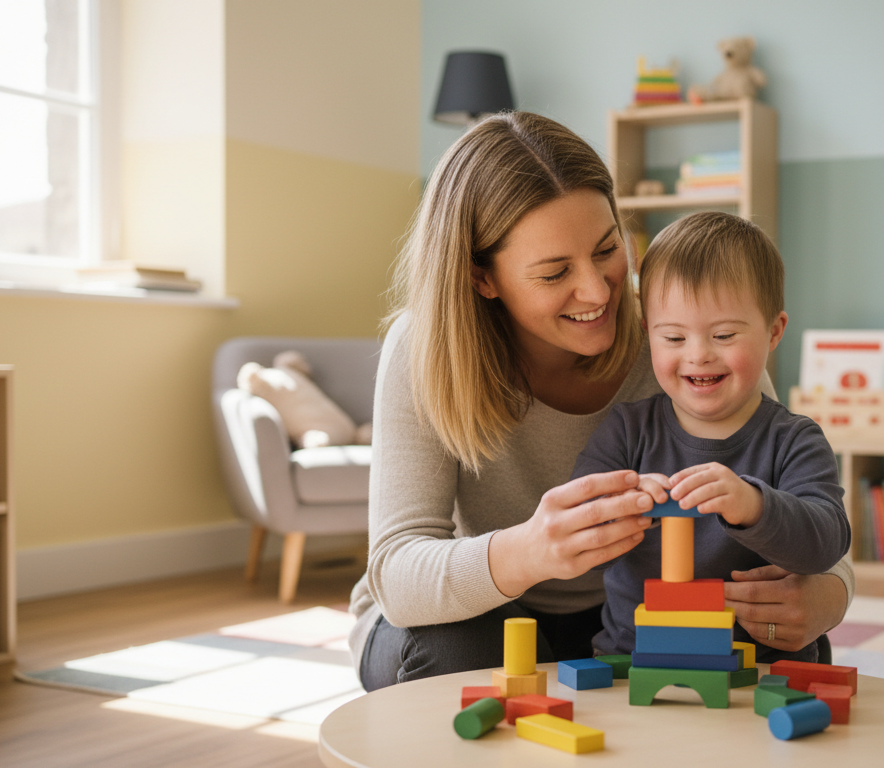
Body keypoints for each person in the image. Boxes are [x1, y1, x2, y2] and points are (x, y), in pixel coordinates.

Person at [348, 111, 854, 691]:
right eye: (554, 272)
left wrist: (829, 594)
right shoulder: (425, 347)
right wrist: (530, 551)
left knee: (780, 645)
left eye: (608, 248)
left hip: (626, 614)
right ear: (480, 278)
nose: (597, 291)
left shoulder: (682, 333)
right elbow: (397, 572)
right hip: (477, 611)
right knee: (464, 652)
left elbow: (798, 495)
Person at [572, 211, 849, 663]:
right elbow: (581, 546)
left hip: (763, 668)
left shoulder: (794, 439)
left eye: (723, 335)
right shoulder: (626, 432)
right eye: (674, 337)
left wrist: (753, 506)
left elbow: (827, 543)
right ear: (648, 334)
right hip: (634, 660)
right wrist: (624, 508)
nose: (698, 355)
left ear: (774, 331)